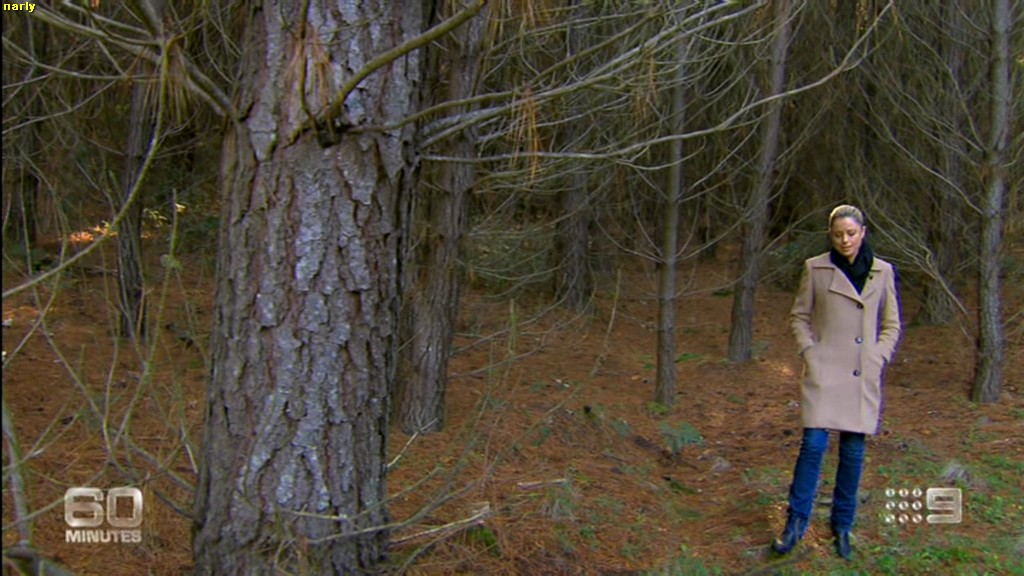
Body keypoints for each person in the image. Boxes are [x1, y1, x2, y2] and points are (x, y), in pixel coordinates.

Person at [772, 204, 902, 560]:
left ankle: (842, 524)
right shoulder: (816, 268)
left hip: (861, 373)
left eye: (851, 233)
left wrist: (878, 356)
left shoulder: (882, 271)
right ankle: (795, 522)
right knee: (813, 445)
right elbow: (799, 316)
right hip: (824, 371)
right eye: (838, 234)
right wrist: (809, 352)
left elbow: (892, 324)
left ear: (863, 233)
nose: (845, 240)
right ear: (830, 236)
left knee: (853, 451)